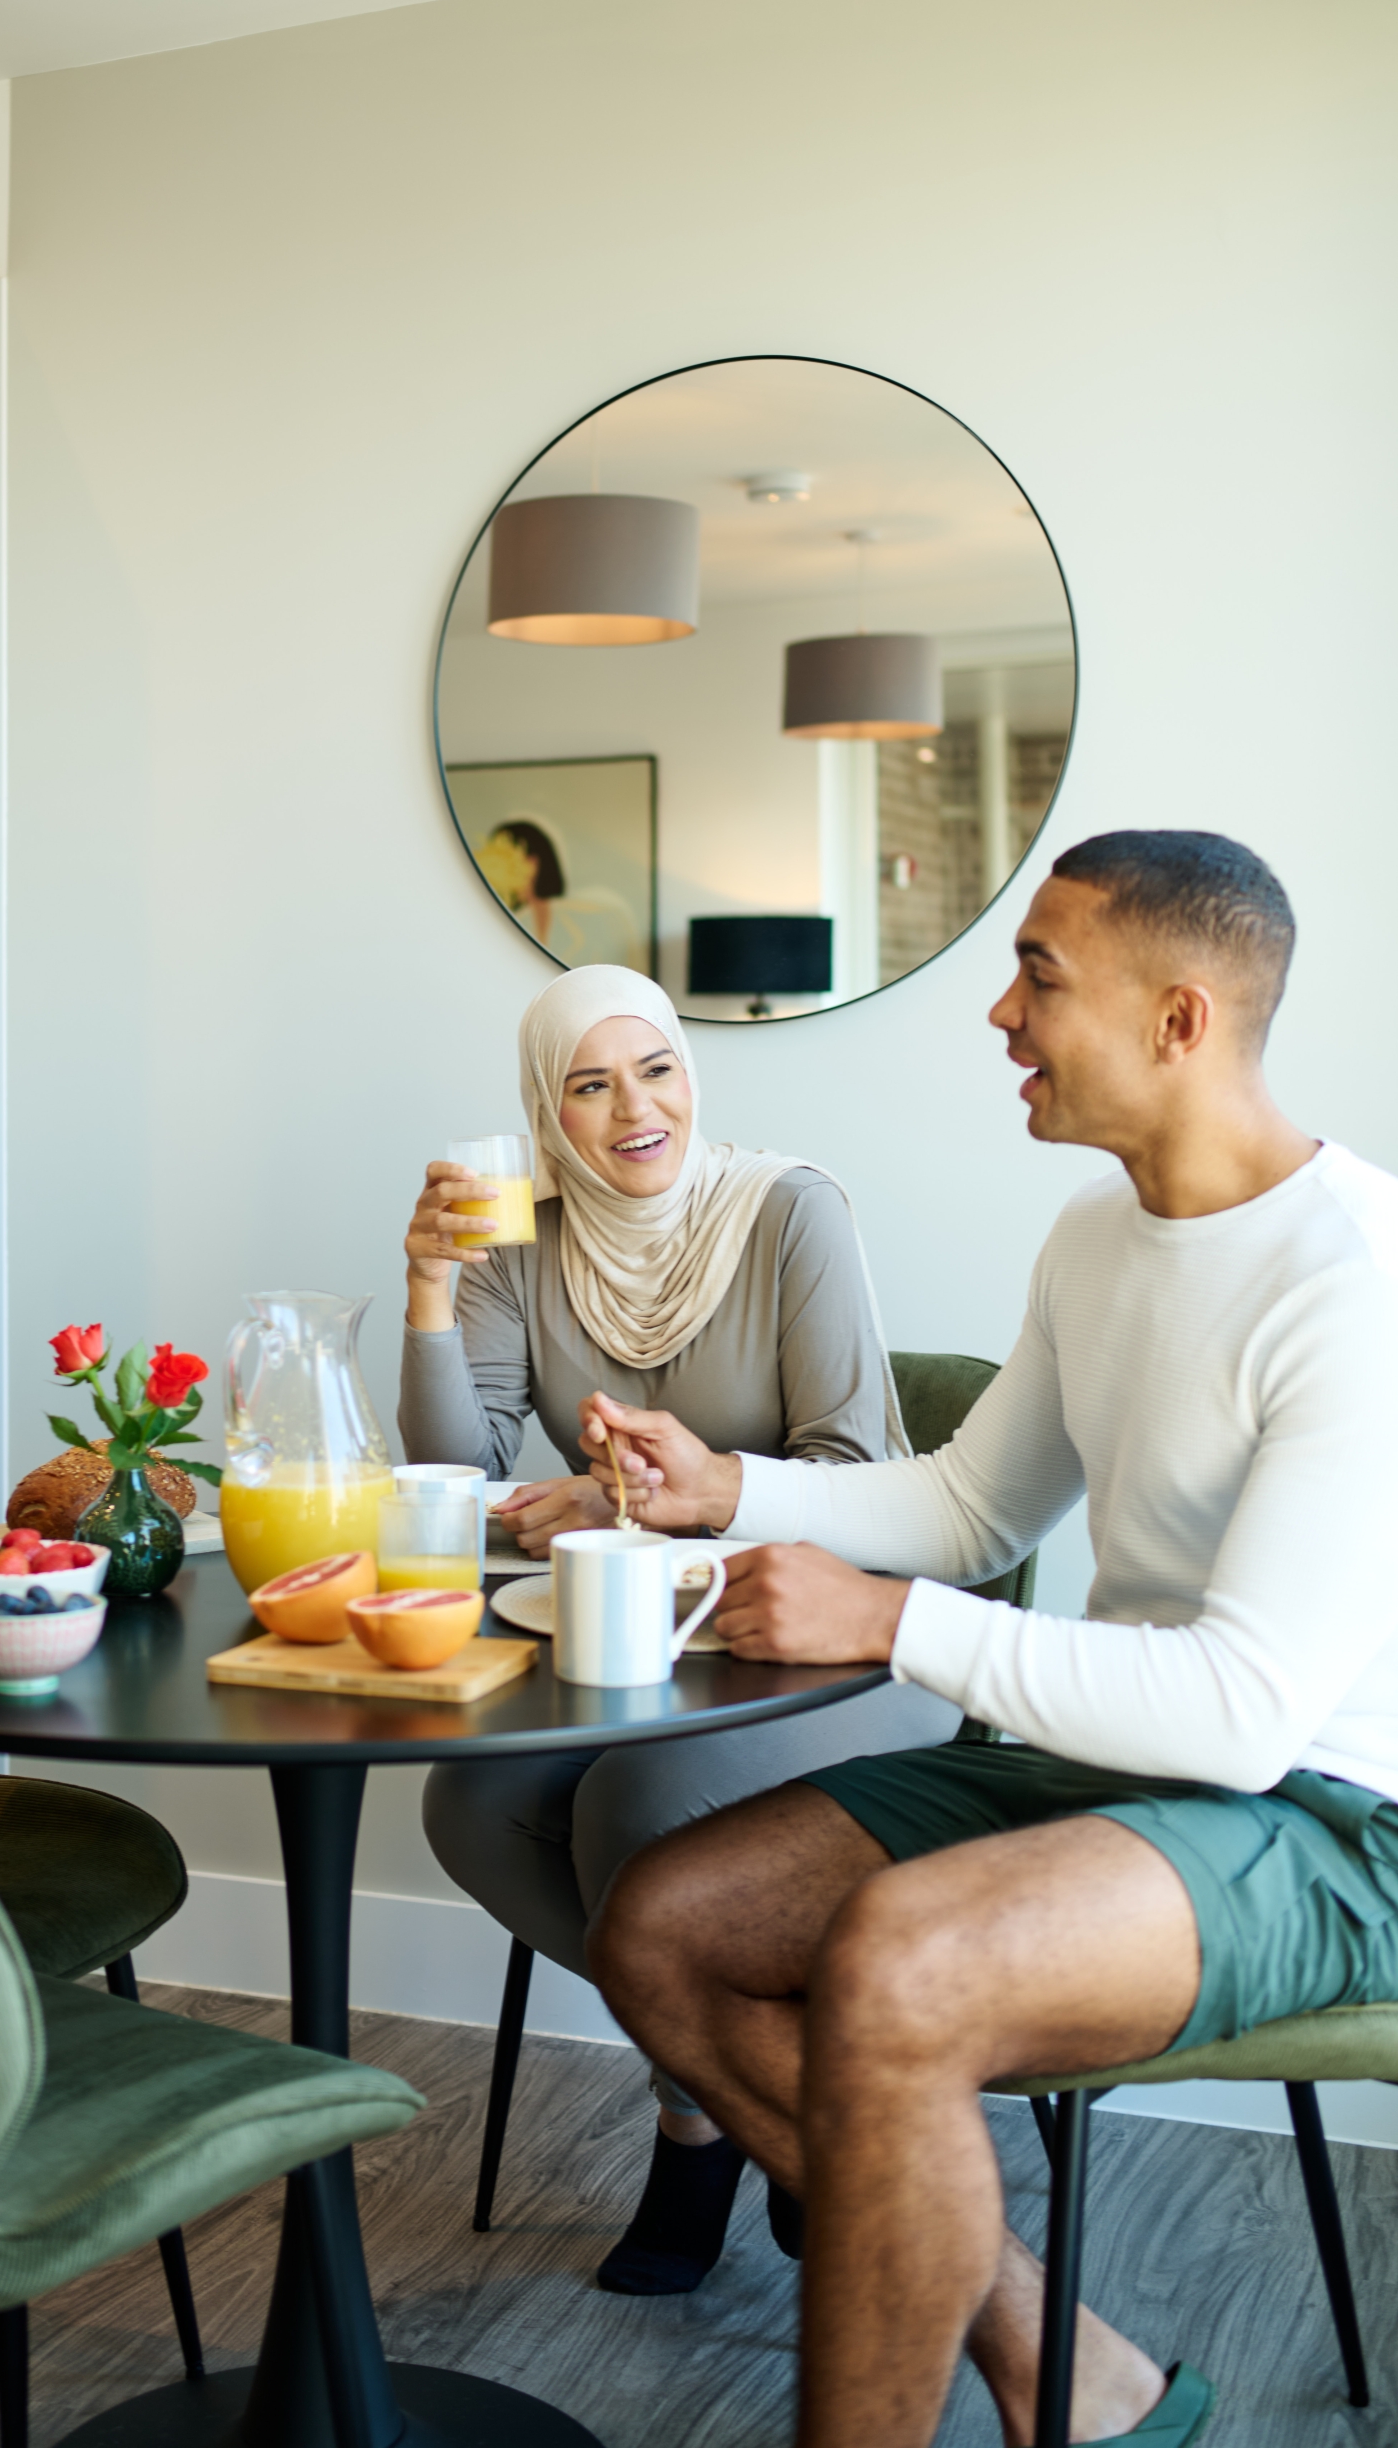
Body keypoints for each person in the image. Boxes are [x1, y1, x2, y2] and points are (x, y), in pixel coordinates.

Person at [587, 832, 1398, 2448]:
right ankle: (1069, 2373)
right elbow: (973, 1504)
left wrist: (892, 1625)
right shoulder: (1096, 1236)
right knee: (664, 1923)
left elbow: (1244, 1713)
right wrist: (729, 1489)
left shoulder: (1356, 1279)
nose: (1000, 1013)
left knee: (901, 1960)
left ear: (1179, 1020)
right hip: (1108, 1764)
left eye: (1039, 975)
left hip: (1329, 1813)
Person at [400, 960, 959, 2294]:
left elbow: (851, 1475)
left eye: (655, 1070)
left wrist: (624, 1498)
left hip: (841, 1642)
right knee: (472, 1807)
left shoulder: (788, 1210)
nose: (634, 1110)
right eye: (590, 1086)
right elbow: (459, 1485)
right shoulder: (519, 1242)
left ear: (690, 1075)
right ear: (548, 1111)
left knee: (632, 1805)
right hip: (645, 1647)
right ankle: (770, 2092)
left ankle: (695, 2128)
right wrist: (428, 1289)